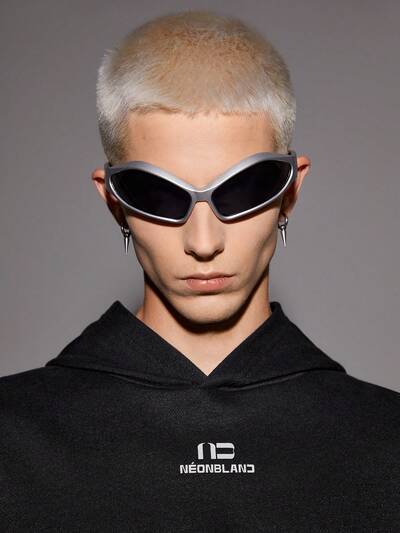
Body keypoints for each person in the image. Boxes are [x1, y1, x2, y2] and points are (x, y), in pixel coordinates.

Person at [1, 9, 399, 532]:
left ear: (290, 192)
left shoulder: (386, 443)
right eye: (157, 194)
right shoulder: (12, 437)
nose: (204, 242)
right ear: (114, 202)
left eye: (245, 188)